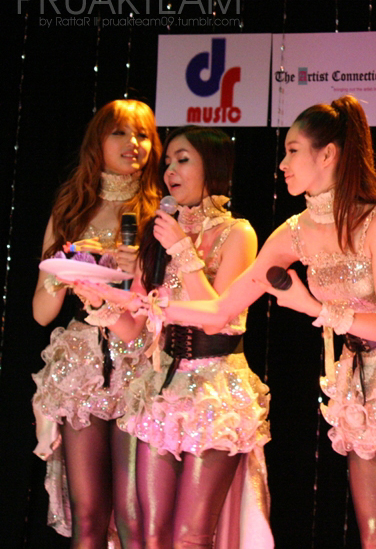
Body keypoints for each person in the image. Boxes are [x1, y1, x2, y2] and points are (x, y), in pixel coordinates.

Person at [92, 95, 376, 548]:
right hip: (361, 377)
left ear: (327, 155)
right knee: (375, 536)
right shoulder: (293, 231)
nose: (282, 164)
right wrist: (138, 304)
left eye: (293, 151)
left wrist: (313, 306)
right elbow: (221, 311)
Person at [100, 126, 271, 548]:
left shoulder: (238, 233)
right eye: (167, 163)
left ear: (212, 167)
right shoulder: (159, 233)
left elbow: (217, 318)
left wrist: (183, 251)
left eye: (182, 160)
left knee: (190, 536)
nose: (170, 171)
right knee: (150, 532)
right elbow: (133, 329)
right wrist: (101, 303)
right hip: (163, 385)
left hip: (216, 387)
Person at [31, 99, 162, 548]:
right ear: (97, 142)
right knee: (88, 514)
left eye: (142, 134)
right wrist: (64, 270)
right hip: (82, 365)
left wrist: (139, 266)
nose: (133, 143)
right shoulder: (71, 209)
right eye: (120, 132)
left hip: (139, 362)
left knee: (133, 514)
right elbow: (41, 312)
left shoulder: (161, 210)